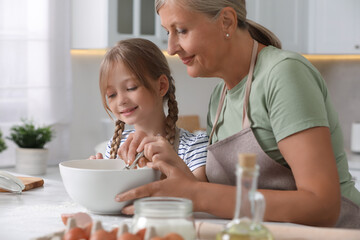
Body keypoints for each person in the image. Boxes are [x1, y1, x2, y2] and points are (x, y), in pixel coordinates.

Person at [115, 0, 360, 228]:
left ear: (227, 22)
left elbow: (323, 206)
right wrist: (171, 164)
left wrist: (196, 194)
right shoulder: (219, 97)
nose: (170, 48)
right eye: (168, 32)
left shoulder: (284, 75)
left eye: (181, 30)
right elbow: (226, 197)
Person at [89, 38, 208, 182]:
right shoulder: (115, 147)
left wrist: (172, 165)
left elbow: (201, 197)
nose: (121, 101)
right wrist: (96, 178)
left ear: (161, 86)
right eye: (112, 95)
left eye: (131, 87)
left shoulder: (194, 147)